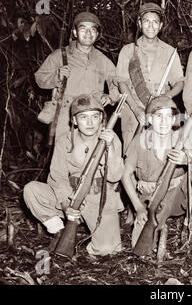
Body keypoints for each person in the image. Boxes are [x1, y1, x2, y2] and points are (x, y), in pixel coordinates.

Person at [23, 94, 124, 256]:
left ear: (101, 119)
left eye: (95, 117)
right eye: (84, 117)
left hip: (99, 198)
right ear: (75, 121)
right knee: (31, 190)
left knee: (107, 249)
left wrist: (110, 149)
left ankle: (91, 232)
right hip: (71, 195)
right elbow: (58, 177)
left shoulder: (111, 139)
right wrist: (66, 205)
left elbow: (115, 176)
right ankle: (60, 231)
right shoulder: (65, 140)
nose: (90, 123)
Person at [121, 95, 192, 250]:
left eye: (168, 116)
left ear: (173, 120)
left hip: (177, 195)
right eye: (159, 116)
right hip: (151, 195)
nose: (164, 122)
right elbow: (125, 175)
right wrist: (138, 208)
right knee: (140, 246)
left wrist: (187, 160)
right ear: (150, 120)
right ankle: (156, 224)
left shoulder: (180, 138)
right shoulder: (139, 141)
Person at [35, 12, 120, 137]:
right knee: (64, 152)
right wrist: (57, 76)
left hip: (93, 116)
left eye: (92, 29)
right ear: (75, 32)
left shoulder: (103, 60)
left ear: (97, 34)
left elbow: (118, 82)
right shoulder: (60, 55)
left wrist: (111, 97)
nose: (88, 33)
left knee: (91, 154)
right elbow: (39, 78)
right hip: (66, 114)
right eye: (83, 29)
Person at [116, 2, 184, 152]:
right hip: (134, 110)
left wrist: (166, 96)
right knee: (131, 154)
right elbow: (122, 82)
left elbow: (179, 82)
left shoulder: (170, 52)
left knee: (159, 153)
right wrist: (136, 109)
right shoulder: (128, 51)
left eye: (155, 22)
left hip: (161, 112)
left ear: (160, 26)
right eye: (146, 21)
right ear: (139, 24)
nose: (151, 26)